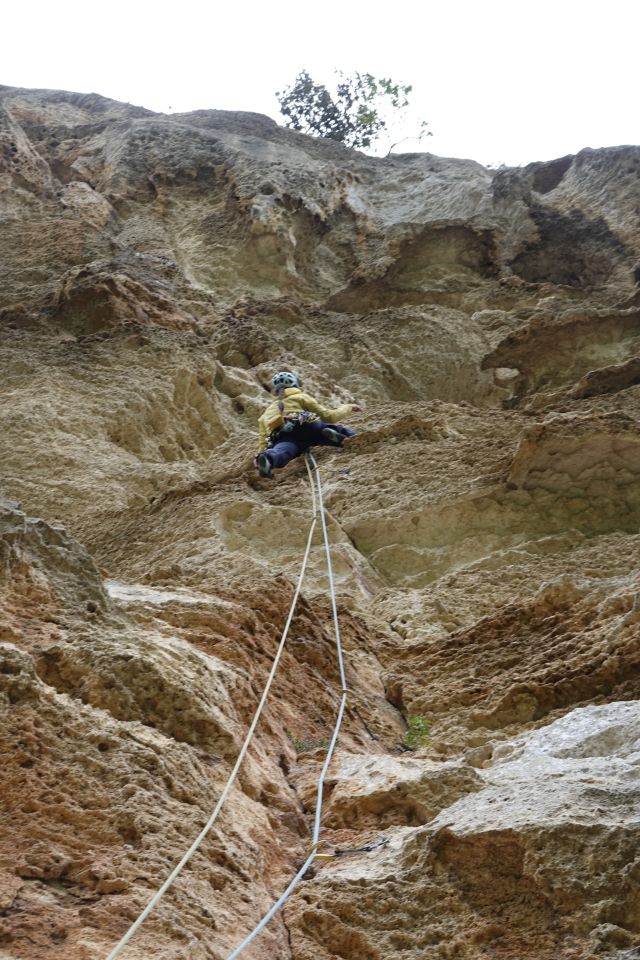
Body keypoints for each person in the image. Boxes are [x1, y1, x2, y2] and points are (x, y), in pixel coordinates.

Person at [255, 371, 362, 479]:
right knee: (321, 430)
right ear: (295, 384)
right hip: (304, 425)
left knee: (283, 450)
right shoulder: (301, 397)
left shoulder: (265, 414)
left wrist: (261, 454)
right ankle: (342, 435)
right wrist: (348, 407)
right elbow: (329, 416)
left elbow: (263, 442)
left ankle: (269, 458)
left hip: (282, 435)